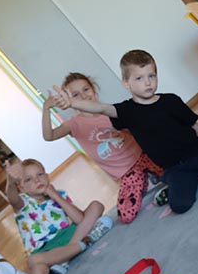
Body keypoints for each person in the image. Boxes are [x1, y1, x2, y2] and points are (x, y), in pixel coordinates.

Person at [55, 50, 198, 214]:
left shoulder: (171, 100)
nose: (147, 82)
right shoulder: (126, 111)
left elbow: (194, 126)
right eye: (139, 78)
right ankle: (185, 180)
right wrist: (72, 103)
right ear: (126, 83)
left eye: (151, 75)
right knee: (180, 205)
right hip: (175, 167)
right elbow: (101, 108)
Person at [42, 73, 167, 223]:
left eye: (86, 89)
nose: (83, 96)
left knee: (176, 170)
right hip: (127, 171)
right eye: (75, 94)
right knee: (126, 215)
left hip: (142, 155)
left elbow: (132, 130)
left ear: (94, 90)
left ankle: (156, 175)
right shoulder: (73, 124)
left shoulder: (108, 110)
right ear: (68, 100)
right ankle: (144, 180)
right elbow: (49, 136)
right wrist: (46, 109)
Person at [4, 158, 113, 274]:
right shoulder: (23, 203)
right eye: (28, 179)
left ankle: (66, 256)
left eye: (40, 174)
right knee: (34, 260)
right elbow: (13, 199)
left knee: (96, 206)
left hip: (67, 237)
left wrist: (55, 196)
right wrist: (11, 183)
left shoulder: (60, 194)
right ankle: (85, 240)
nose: (37, 180)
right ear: (22, 188)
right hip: (46, 248)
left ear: (47, 176)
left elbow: (80, 220)